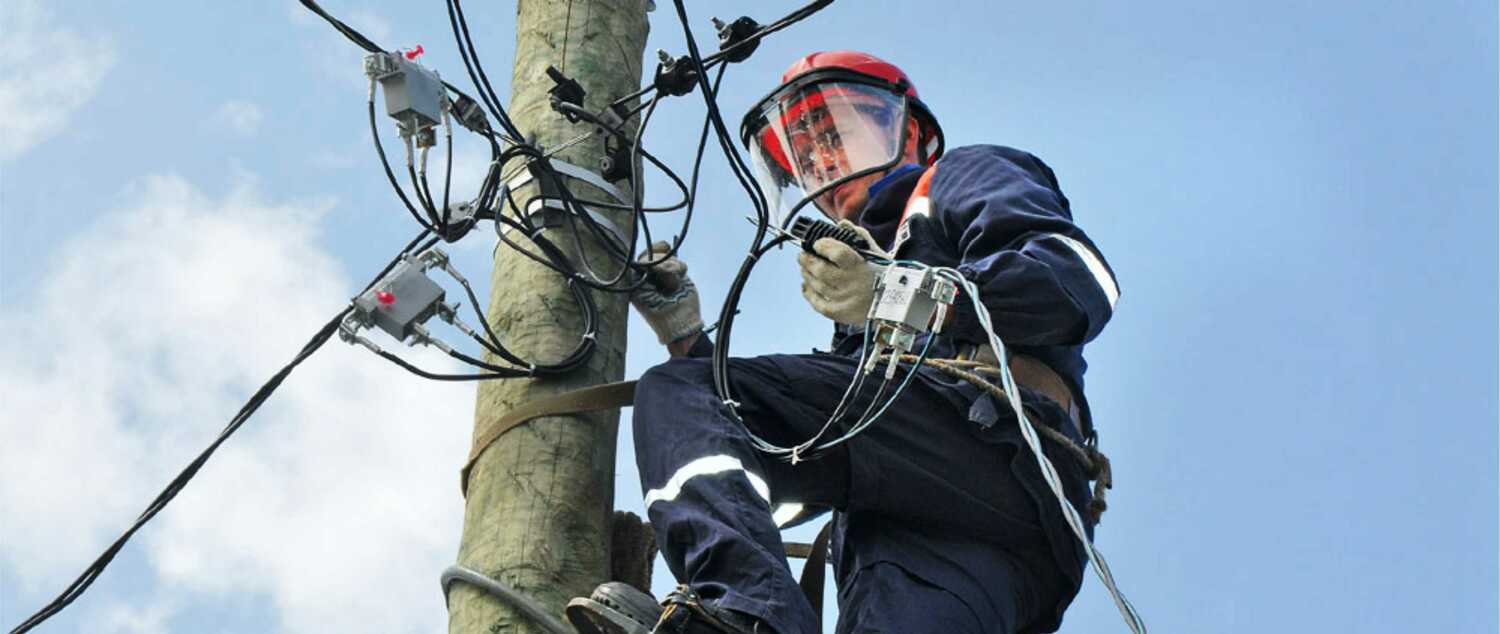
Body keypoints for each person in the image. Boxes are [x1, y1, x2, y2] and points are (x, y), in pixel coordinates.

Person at [571, 50, 1120, 634]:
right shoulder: (860, 300)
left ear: (905, 131)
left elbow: (1076, 283)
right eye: (804, 157)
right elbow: (779, 440)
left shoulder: (961, 179)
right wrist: (687, 335)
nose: (822, 161)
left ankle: (752, 614)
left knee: (682, 393)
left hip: (997, 448)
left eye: (837, 131)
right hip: (938, 540)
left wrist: (894, 291)